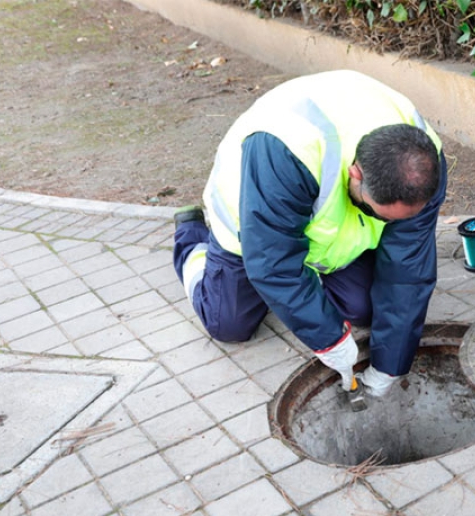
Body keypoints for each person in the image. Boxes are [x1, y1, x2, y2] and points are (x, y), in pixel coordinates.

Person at [172, 70, 447, 398]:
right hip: (251, 227)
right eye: (375, 213)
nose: (385, 223)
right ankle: (191, 240)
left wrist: (390, 365)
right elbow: (272, 262)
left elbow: (407, 271)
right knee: (228, 323)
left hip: (328, 235)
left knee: (363, 308)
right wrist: (329, 338)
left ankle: (309, 281)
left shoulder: (422, 165)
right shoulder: (288, 150)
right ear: (356, 173)